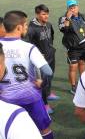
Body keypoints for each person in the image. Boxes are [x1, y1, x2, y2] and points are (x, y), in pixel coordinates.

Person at [0, 10, 54, 139]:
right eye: (25, 25)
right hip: (31, 98)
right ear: (18, 27)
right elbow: (48, 71)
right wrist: (42, 83)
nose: (26, 28)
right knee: (44, 129)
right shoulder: (29, 47)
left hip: (7, 100)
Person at [0, 43, 42, 139]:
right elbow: (47, 70)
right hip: (30, 97)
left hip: (7, 96)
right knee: (44, 127)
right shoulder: (15, 118)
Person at [25, 4, 58, 114]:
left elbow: (51, 37)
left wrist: (50, 49)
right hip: (40, 60)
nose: (46, 16)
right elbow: (27, 44)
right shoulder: (31, 29)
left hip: (50, 56)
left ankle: (48, 94)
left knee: (50, 75)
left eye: (47, 14)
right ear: (37, 14)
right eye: (43, 14)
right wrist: (38, 54)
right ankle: (44, 103)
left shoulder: (48, 25)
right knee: (43, 81)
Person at [58, 0, 85, 94]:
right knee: (73, 66)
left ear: (78, 7)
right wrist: (68, 18)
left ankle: (83, 82)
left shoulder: (83, 16)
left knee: (82, 64)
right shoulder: (64, 18)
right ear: (68, 9)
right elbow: (63, 29)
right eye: (71, 8)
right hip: (73, 48)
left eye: (74, 7)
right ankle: (73, 87)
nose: (73, 9)